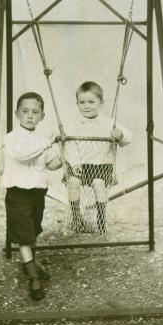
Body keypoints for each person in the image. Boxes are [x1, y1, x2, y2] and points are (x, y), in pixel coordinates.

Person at [1, 91, 61, 301]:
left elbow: (50, 164)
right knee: (25, 235)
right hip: (18, 194)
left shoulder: (42, 139)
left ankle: (30, 264)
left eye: (35, 112)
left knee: (33, 231)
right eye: (25, 111)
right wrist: (47, 144)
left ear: (42, 116)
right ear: (17, 114)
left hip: (37, 193)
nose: (29, 116)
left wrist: (61, 150)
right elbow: (22, 154)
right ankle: (33, 277)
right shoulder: (12, 138)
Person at [63, 81, 132, 235]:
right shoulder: (74, 124)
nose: (86, 106)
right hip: (81, 165)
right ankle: (76, 218)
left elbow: (128, 137)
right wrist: (74, 164)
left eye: (91, 102)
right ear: (77, 104)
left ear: (101, 103)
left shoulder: (108, 123)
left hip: (101, 166)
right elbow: (70, 147)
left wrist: (120, 135)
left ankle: (101, 218)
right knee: (73, 181)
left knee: (99, 184)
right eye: (82, 102)